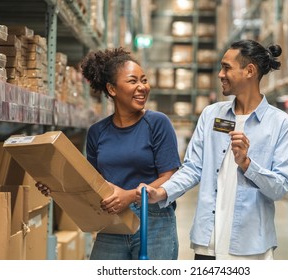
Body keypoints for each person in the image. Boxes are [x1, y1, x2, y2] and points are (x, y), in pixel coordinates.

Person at [137, 39, 288, 260]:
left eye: (226, 67)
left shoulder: (281, 124)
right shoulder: (212, 115)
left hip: (250, 246)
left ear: (249, 71)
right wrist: (163, 192)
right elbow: (193, 168)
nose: (220, 74)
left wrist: (247, 164)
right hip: (207, 243)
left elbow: (279, 188)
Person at [36, 47, 181, 260]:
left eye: (144, 80)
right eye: (133, 81)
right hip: (113, 223)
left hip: (154, 221)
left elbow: (170, 177)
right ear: (112, 89)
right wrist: (57, 185)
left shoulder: (157, 123)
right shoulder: (97, 132)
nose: (142, 87)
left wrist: (130, 195)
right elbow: (91, 182)